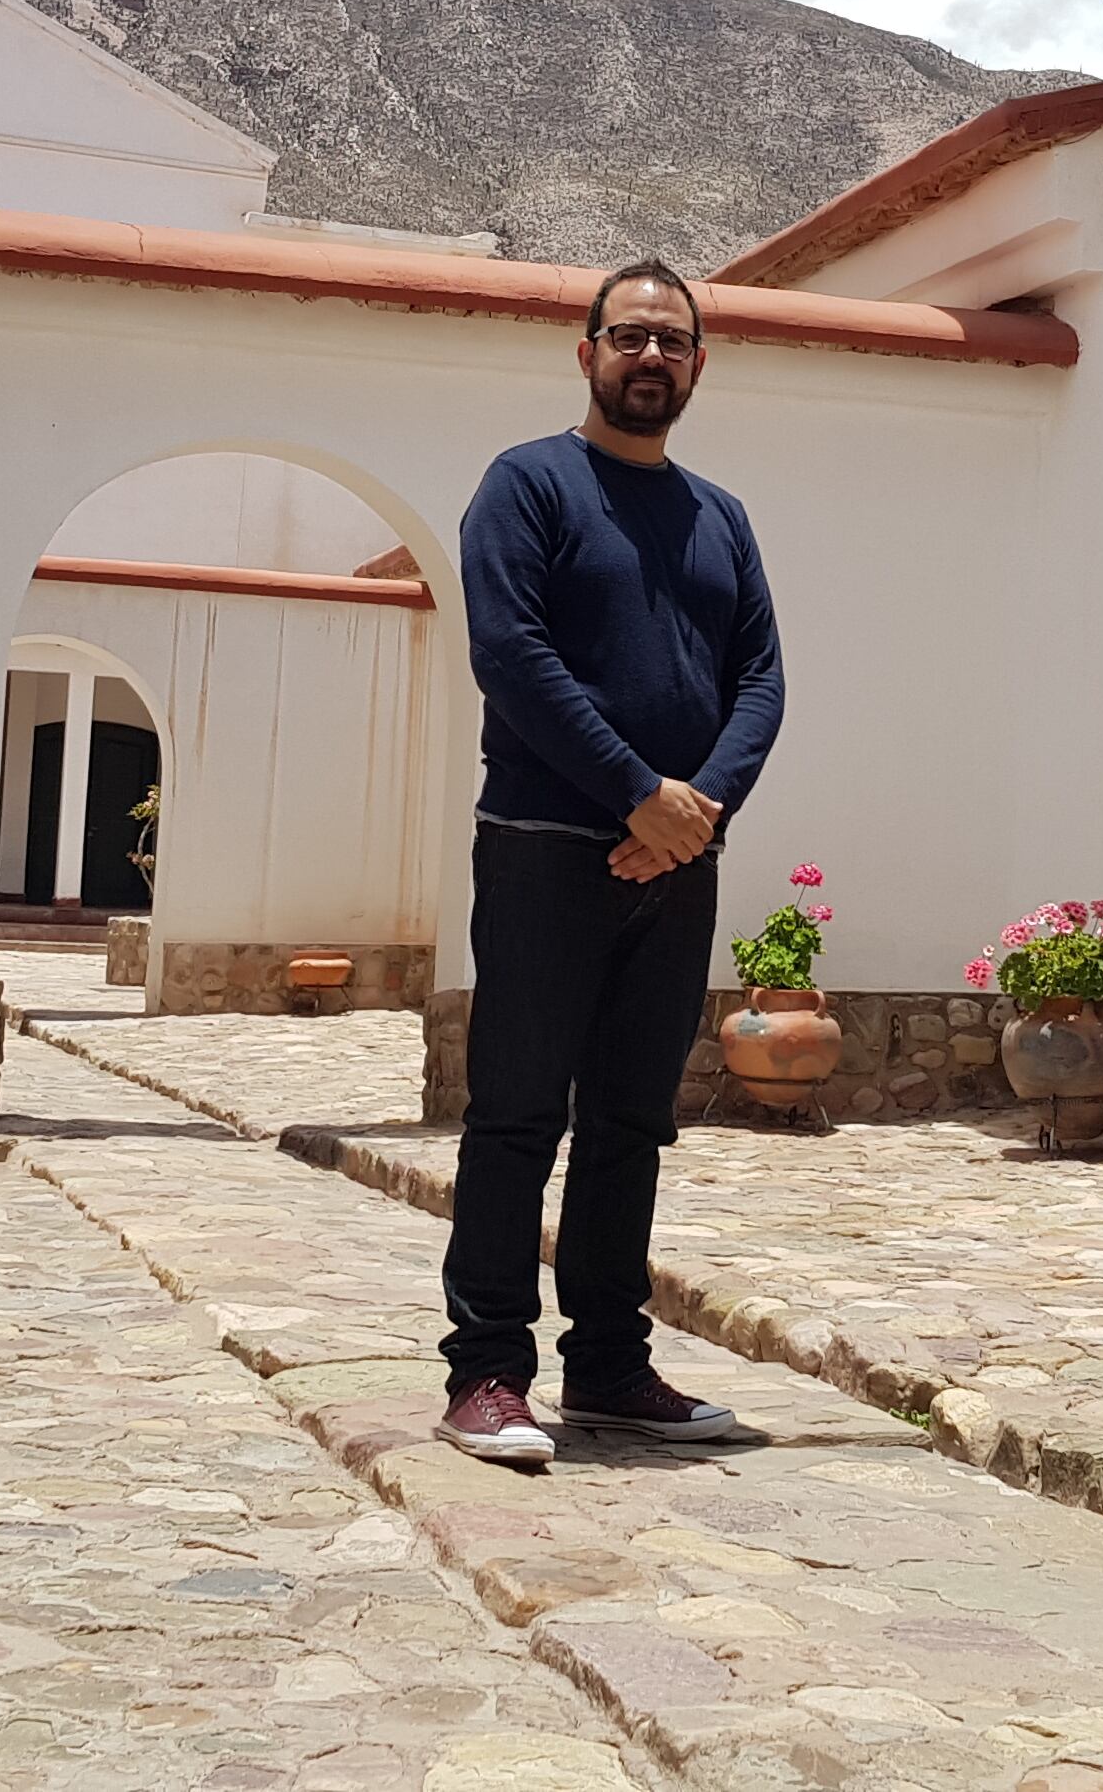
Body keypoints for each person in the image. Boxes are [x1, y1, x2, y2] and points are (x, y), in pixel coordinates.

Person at [432, 257, 783, 1467]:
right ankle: (485, 1372)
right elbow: (514, 659)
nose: (650, 357)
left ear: (698, 364)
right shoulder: (526, 488)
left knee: (632, 1122)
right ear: (584, 353)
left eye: (671, 341)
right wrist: (643, 794)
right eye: (627, 336)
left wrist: (700, 812)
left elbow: (761, 679)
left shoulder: (719, 517)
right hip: (542, 844)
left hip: (677, 866)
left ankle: (610, 1369)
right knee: (518, 1115)